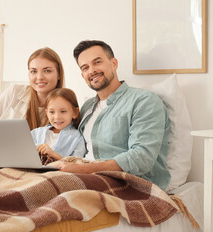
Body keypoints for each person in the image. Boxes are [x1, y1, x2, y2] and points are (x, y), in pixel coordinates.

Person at [50, 40, 171, 190]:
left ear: (113, 63)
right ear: (83, 75)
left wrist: (82, 170)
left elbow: (142, 158)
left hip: (128, 183)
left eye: (97, 62)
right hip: (84, 177)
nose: (92, 70)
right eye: (85, 67)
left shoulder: (144, 101)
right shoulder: (87, 107)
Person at [0, 47, 65, 130]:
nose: (39, 77)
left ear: (59, 74)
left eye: (47, 71)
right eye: (34, 71)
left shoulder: (65, 107)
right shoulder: (15, 91)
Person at [31, 88, 87, 162]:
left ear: (75, 112)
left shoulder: (77, 138)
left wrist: (53, 154)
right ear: (46, 112)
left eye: (63, 111)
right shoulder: (36, 133)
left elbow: (76, 164)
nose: (57, 117)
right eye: (51, 112)